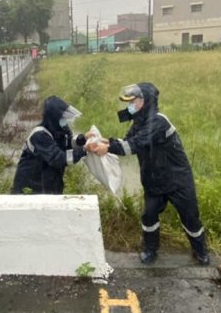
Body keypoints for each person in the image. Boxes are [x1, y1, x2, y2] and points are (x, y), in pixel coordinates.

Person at [87, 83, 209, 265]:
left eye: (133, 101)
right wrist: (106, 142)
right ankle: (150, 249)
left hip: (178, 180)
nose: (130, 106)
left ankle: (200, 251)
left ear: (145, 102)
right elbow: (129, 141)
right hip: (153, 180)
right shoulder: (139, 122)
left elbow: (137, 144)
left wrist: (109, 147)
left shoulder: (159, 121)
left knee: (190, 216)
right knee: (149, 216)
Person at [11, 96, 86, 194]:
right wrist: (84, 150)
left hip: (49, 184)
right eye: (62, 117)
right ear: (54, 117)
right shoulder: (39, 135)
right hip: (29, 189)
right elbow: (60, 159)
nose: (64, 120)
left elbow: (67, 146)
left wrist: (82, 139)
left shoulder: (58, 131)